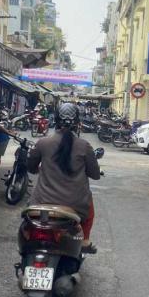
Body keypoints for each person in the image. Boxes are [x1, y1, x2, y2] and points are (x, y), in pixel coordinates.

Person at [27, 103, 100, 248]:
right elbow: (95, 175)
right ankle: (84, 241)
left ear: (55, 120)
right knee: (89, 207)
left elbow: (31, 167)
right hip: (75, 205)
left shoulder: (43, 143)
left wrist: (38, 169)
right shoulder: (84, 146)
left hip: (42, 202)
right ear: (77, 122)